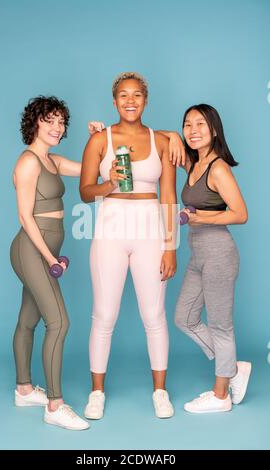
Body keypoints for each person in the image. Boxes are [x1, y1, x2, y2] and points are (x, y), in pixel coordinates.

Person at [80, 72, 180, 419]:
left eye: (137, 95)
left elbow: (169, 195)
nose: (130, 101)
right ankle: (96, 393)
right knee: (104, 315)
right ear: (114, 101)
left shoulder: (163, 141)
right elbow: (85, 191)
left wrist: (171, 246)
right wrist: (108, 185)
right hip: (111, 227)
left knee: (154, 315)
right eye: (123, 95)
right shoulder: (99, 140)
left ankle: (160, 392)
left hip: (150, 228)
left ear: (146, 100)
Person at [10, 95, 89, 430]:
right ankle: (55, 406)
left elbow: (90, 168)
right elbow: (26, 217)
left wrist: (99, 137)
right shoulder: (28, 162)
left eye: (61, 122)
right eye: (50, 120)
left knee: (29, 319)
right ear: (35, 122)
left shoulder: (53, 161)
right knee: (59, 323)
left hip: (44, 250)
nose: (57, 127)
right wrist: (50, 259)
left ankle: (24, 389)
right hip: (32, 248)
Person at [174, 104, 251, 413]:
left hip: (219, 253)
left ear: (214, 130)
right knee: (184, 318)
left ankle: (221, 396)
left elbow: (241, 214)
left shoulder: (218, 168)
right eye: (187, 124)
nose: (193, 130)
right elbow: (166, 139)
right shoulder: (194, 163)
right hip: (199, 254)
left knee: (221, 326)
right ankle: (233, 368)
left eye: (200, 125)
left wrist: (200, 217)